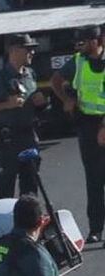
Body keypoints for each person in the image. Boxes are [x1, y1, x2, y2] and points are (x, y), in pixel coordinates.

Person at [0, 33, 48, 199]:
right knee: (5, 187)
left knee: (31, 185)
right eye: (28, 49)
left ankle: (30, 220)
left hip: (29, 135)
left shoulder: (30, 74)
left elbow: (35, 106)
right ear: (14, 50)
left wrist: (41, 103)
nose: (32, 53)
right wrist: (7, 104)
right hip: (8, 139)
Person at [51, 25, 105, 245]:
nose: (79, 45)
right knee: (94, 179)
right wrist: (67, 100)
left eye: (83, 41)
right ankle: (95, 229)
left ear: (96, 41)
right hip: (87, 125)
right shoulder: (78, 61)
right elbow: (56, 80)